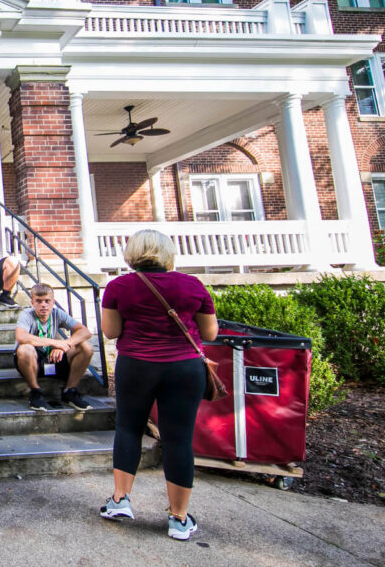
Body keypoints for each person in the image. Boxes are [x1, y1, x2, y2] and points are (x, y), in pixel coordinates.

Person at [99, 229, 218, 541]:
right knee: (178, 439)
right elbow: (210, 333)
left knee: (128, 428)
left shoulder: (118, 286)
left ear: (133, 253)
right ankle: (178, 519)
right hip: (184, 368)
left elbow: (110, 332)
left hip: (136, 365)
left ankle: (120, 500)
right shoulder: (192, 285)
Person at [14, 283, 95, 412]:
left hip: (54, 358)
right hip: (32, 361)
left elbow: (85, 331)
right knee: (25, 348)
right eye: (38, 301)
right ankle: (35, 391)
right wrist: (55, 343)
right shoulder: (26, 314)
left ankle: (70, 391)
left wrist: (65, 345)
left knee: (86, 347)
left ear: (53, 302)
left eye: (47, 301)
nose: (43, 305)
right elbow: (21, 336)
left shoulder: (58, 313)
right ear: (32, 303)